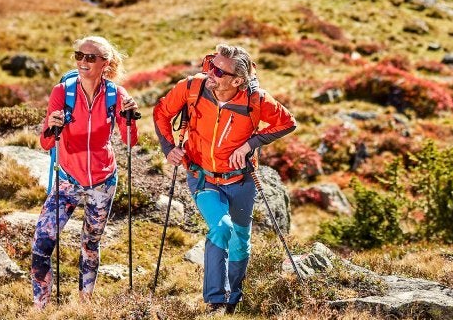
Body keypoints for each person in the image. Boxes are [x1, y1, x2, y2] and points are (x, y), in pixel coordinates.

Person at [153, 44, 296, 314]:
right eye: (210, 64)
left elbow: (288, 122)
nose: (210, 73)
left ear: (237, 80)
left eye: (218, 70)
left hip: (241, 181)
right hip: (203, 177)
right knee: (221, 227)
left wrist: (250, 144)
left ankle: (234, 301)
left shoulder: (256, 100)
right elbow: (161, 111)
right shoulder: (192, 88)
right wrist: (168, 147)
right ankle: (216, 300)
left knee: (241, 240)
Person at [31, 36, 139, 308]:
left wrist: (129, 119)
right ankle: (40, 307)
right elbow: (46, 143)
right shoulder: (62, 93)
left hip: (103, 181)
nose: (83, 61)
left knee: (90, 244)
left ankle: (84, 303)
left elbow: (129, 141)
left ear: (106, 63)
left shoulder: (116, 95)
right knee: (41, 245)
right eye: (79, 55)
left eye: (91, 57)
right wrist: (51, 126)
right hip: (67, 179)